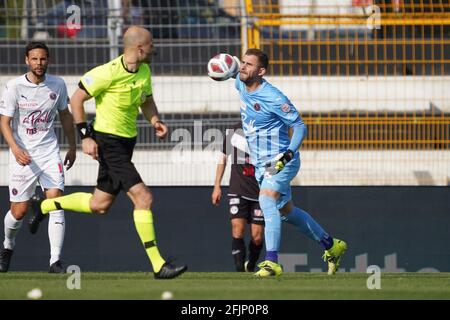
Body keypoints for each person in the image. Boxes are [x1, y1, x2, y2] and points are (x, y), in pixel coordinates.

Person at [27, 26, 187, 279]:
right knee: (143, 198)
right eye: (152, 45)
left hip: (125, 144)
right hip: (108, 143)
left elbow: (145, 100)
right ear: (140, 48)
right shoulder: (106, 73)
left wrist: (155, 120)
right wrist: (85, 138)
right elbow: (77, 99)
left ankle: (44, 205)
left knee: (99, 205)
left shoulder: (144, 71)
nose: (155, 49)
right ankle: (159, 265)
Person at [233, 48, 347, 277]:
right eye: (242, 63)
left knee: (266, 201)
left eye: (249, 65)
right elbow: (229, 72)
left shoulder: (274, 98)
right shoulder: (240, 83)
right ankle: (331, 245)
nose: (243, 67)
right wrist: (222, 68)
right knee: (286, 212)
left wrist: (286, 156)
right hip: (260, 164)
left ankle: (272, 262)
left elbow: (300, 127)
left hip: (281, 161)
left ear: (262, 71)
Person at [0, 41, 76, 273]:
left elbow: (65, 115)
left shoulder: (58, 84)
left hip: (49, 153)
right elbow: (5, 122)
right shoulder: (14, 87)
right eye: (34, 59)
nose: (39, 63)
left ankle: (55, 261)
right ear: (26, 60)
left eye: (43, 59)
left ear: (48, 60)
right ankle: (7, 246)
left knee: (55, 202)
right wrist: (14, 148)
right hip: (23, 155)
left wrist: (73, 146)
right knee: (18, 212)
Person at [211, 122, 264, 272]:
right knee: (237, 229)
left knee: (257, 236)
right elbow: (223, 158)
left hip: (260, 192)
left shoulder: (266, 130)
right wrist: (217, 186)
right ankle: (239, 271)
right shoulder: (233, 131)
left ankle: (251, 265)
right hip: (238, 189)